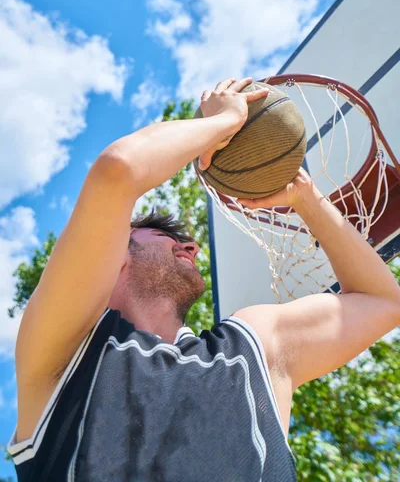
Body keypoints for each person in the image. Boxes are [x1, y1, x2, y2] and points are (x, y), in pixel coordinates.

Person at [8, 78, 400, 482]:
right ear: (114, 258)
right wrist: (224, 122)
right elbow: (118, 171)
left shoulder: (254, 347)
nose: (192, 247)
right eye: (166, 237)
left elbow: (383, 302)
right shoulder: (63, 352)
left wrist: (303, 196)